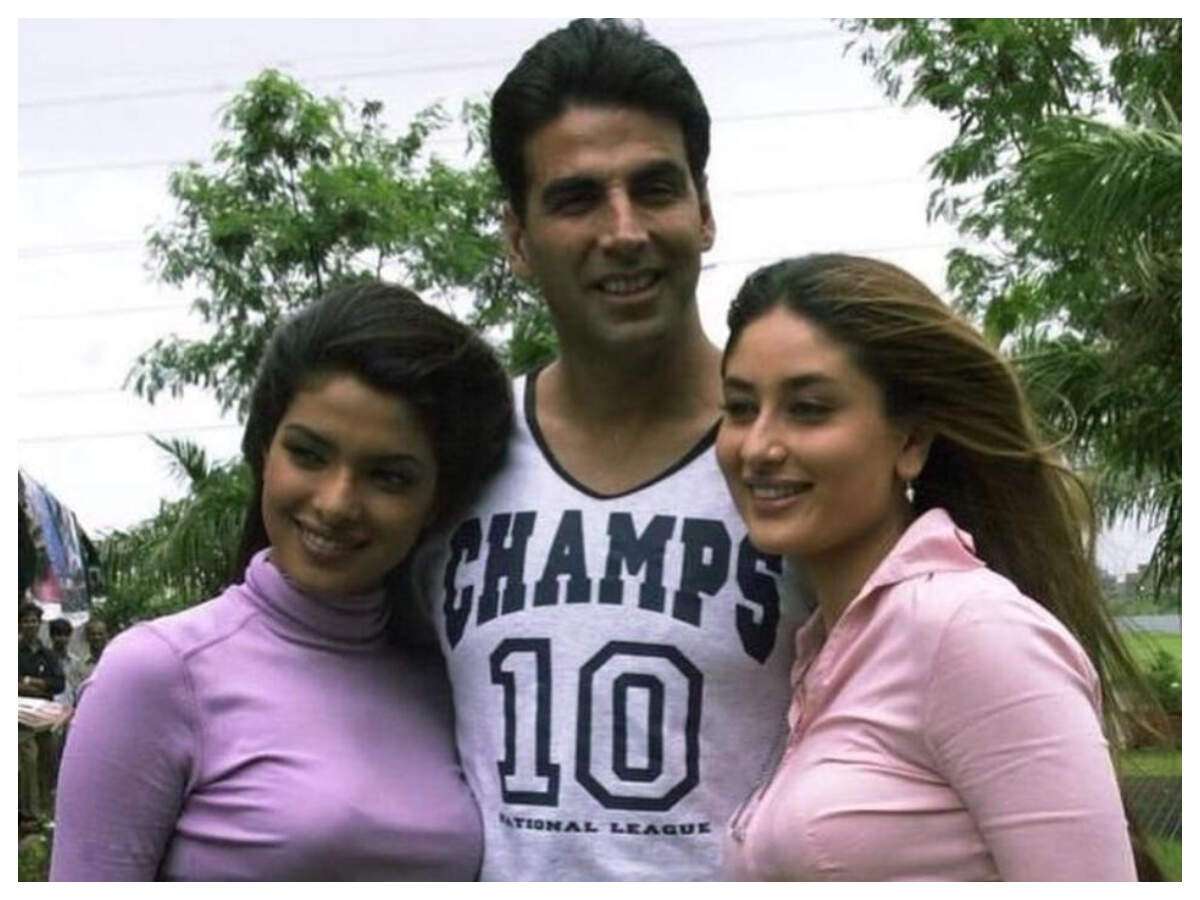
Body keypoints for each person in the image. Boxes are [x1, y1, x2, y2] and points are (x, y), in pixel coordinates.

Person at [408, 18, 801, 881]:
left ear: (704, 211)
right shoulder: (454, 460)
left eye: (654, 188)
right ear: (517, 239)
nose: (623, 231)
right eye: (577, 199)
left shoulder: (799, 462)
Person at [50, 282, 513, 881]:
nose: (336, 503)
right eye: (309, 455)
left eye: (389, 477)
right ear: (264, 450)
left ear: (437, 501)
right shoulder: (159, 673)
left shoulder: (448, 679)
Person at [715, 254, 1149, 881]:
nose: (758, 447)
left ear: (912, 441)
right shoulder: (830, 648)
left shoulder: (972, 631)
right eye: (740, 408)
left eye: (808, 409)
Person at [19, 601, 65, 829]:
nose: (31, 625)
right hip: (20, 716)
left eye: (34, 621)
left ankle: (47, 811)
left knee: (49, 757)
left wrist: (30, 682)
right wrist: (38, 685)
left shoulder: (48, 654)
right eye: (26, 621)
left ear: (40, 624)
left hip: (46, 715)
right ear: (20, 624)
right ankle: (30, 814)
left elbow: (58, 684)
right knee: (28, 759)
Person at [64, 618, 108, 704]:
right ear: (87, 637)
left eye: (100, 634)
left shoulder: (114, 664)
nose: (97, 637)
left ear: (106, 636)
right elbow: (75, 693)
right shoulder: (79, 666)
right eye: (93, 634)